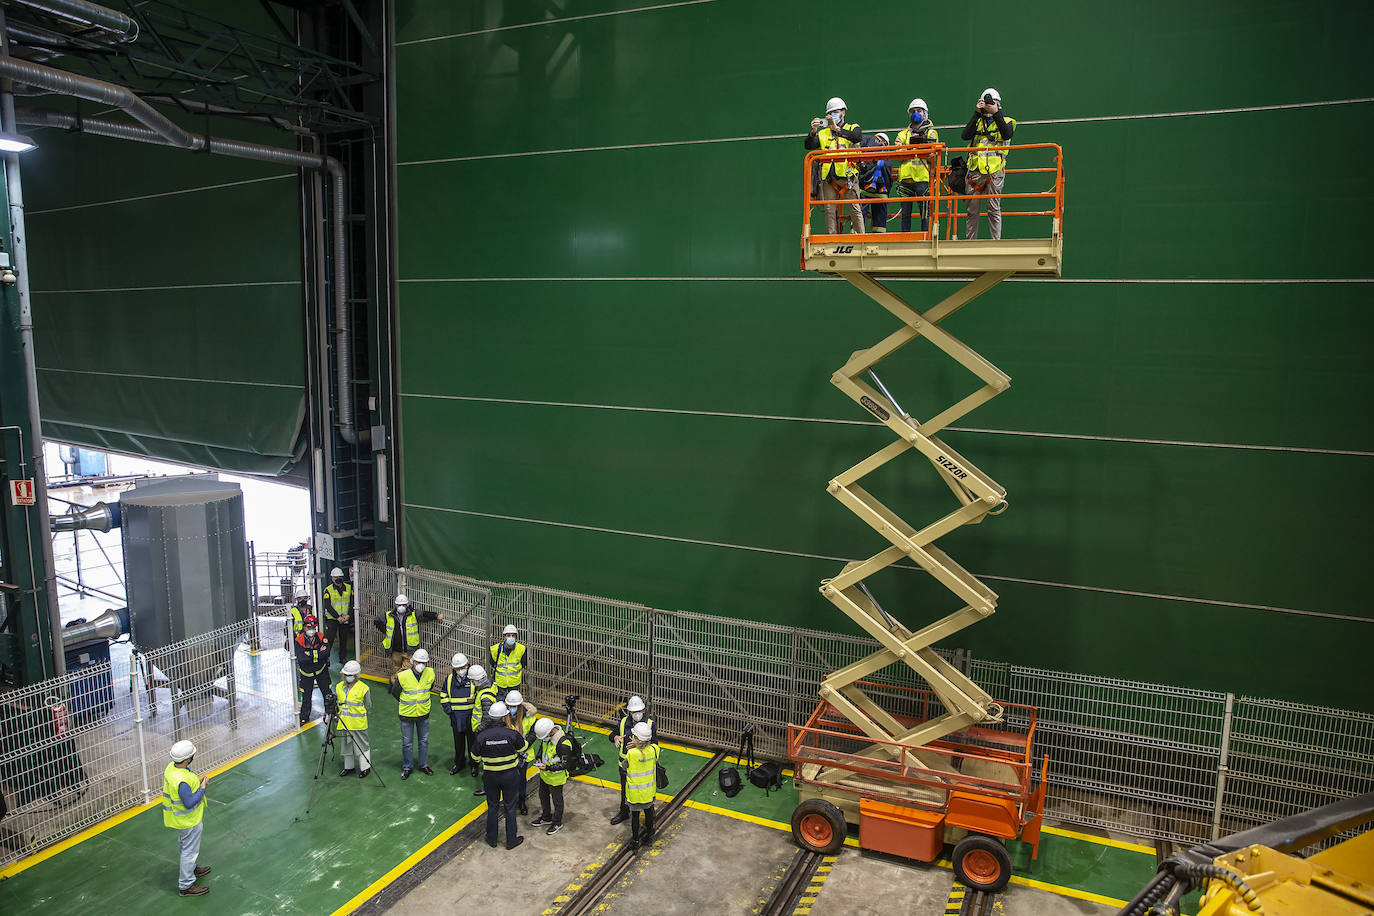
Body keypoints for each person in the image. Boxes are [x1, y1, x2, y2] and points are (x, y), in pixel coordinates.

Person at [804, 96, 865, 234]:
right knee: (829, 210)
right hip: (829, 179)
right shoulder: (823, 133)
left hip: (849, 176)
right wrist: (813, 131)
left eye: (836, 112)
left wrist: (837, 129)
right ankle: (832, 238)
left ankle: (862, 237)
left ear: (843, 112)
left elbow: (857, 137)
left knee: (855, 209)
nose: (833, 115)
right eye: (830, 113)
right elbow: (808, 145)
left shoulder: (852, 128)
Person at [961, 87, 1017, 240]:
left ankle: (996, 242)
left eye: (991, 102)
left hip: (994, 172)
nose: (988, 104)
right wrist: (977, 113)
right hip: (974, 172)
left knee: (993, 208)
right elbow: (965, 136)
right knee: (972, 210)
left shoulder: (1008, 121)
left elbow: (1006, 134)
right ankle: (970, 242)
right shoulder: (978, 122)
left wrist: (995, 113)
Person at [473, 700, 526, 850]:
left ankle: (491, 839)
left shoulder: (482, 736)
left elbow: (475, 757)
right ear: (504, 717)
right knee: (510, 806)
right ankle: (511, 840)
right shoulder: (512, 734)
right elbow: (523, 749)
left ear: (490, 717)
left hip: (491, 777)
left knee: (493, 806)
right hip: (510, 776)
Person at [163, 740, 212, 897]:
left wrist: (196, 784)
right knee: (189, 852)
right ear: (187, 759)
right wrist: (202, 788)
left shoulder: (171, 769)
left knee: (184, 846)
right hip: (189, 821)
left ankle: (191, 869)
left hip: (180, 820)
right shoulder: (182, 780)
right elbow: (189, 802)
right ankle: (186, 885)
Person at [610, 694, 657, 825]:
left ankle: (650, 812)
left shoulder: (649, 724)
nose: (637, 714)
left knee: (646, 790)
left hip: (643, 766)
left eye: (639, 711)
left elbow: (654, 745)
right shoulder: (624, 722)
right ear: (629, 711)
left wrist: (639, 745)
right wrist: (615, 738)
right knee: (625, 790)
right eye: (634, 711)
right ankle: (624, 812)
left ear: (643, 710)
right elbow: (612, 734)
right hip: (625, 766)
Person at [895, 98, 939, 233]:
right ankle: (905, 241)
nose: (916, 113)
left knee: (925, 215)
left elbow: (934, 156)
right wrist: (915, 149)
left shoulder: (931, 133)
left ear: (925, 114)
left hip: (923, 179)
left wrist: (909, 149)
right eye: (913, 111)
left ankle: (925, 239)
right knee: (905, 216)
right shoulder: (902, 134)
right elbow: (898, 153)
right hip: (905, 180)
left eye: (919, 111)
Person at [391, 647, 435, 779]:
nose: (420, 665)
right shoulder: (403, 676)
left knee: (424, 740)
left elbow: (429, 688)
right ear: (412, 661)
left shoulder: (430, 673)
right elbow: (395, 692)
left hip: (423, 713)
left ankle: (423, 764)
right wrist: (407, 701)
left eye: (423, 663)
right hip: (407, 714)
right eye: (417, 662)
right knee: (407, 743)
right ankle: (407, 767)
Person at [530, 717, 578, 836]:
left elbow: (565, 764)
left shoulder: (563, 744)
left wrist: (548, 768)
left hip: (556, 778)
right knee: (543, 796)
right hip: (545, 775)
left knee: (557, 801)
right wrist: (539, 756)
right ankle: (546, 817)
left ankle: (557, 822)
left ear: (551, 731)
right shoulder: (547, 737)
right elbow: (542, 748)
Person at [375, 594, 442, 674]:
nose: (401, 607)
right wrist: (385, 631)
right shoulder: (389, 615)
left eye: (403, 605)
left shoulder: (413, 614)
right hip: (395, 650)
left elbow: (424, 614)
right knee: (396, 668)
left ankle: (395, 681)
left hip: (409, 650)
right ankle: (397, 683)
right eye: (399, 605)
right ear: (396, 605)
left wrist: (436, 616)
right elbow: (377, 621)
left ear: (407, 605)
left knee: (406, 670)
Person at [623, 722, 660, 850]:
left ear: (635, 739)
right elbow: (654, 745)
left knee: (635, 818)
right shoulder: (654, 750)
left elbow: (624, 766)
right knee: (649, 814)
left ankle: (635, 841)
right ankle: (650, 836)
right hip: (648, 792)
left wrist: (634, 746)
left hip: (635, 794)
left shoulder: (632, 753)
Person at [440, 653, 475, 775]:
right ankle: (459, 763)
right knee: (458, 743)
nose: (461, 670)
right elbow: (443, 695)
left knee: (473, 743)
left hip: (471, 718)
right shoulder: (449, 680)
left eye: (463, 667)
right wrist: (449, 711)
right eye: (458, 668)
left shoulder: (473, 677)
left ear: (467, 665)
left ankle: (474, 765)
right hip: (456, 718)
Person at [335, 659, 372, 778]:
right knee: (346, 745)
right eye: (346, 675)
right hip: (344, 722)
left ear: (356, 675)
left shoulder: (364, 688)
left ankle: (365, 768)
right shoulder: (339, 686)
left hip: (358, 723)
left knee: (362, 745)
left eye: (350, 675)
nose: (347, 677)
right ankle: (348, 767)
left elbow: (368, 705)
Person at [294, 614, 332, 727]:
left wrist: (310, 654)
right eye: (309, 628)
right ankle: (304, 717)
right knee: (306, 696)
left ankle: (331, 713)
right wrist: (318, 654)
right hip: (306, 673)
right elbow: (301, 658)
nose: (311, 630)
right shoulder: (299, 640)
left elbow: (326, 652)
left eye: (313, 628)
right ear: (304, 627)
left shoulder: (321, 637)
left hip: (321, 671)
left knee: (327, 693)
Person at [505, 689, 538, 815]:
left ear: (520, 706)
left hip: (523, 756)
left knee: (521, 780)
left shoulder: (529, 717)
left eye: (514, 706)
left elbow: (533, 733)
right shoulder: (503, 717)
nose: (512, 709)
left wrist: (525, 745)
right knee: (508, 780)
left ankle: (522, 800)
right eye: (510, 706)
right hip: (508, 755)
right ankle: (510, 802)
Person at [467, 664, 497, 793]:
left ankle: (487, 788)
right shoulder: (488, 690)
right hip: (485, 732)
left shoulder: (485, 696)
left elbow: (487, 718)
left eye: (473, 681)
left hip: (484, 733)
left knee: (487, 763)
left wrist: (479, 729)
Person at [857, 132, 892, 233]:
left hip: (864, 189)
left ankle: (856, 237)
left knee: (858, 217)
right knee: (879, 223)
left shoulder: (868, 140)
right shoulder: (888, 156)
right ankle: (879, 239)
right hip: (882, 193)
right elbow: (889, 179)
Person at [322, 566, 354, 666]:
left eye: (340, 576)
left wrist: (348, 615)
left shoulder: (348, 588)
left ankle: (343, 658)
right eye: (336, 577)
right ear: (332, 578)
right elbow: (328, 606)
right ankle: (325, 658)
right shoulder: (328, 590)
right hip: (333, 619)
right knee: (329, 639)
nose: (338, 578)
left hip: (345, 619)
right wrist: (337, 617)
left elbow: (352, 602)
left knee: (343, 639)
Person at [489, 623, 527, 691]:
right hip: (500, 684)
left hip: (514, 684)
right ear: (504, 637)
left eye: (513, 635)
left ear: (516, 637)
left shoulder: (521, 649)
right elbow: (492, 663)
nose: (511, 637)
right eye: (508, 635)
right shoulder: (495, 649)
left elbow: (523, 664)